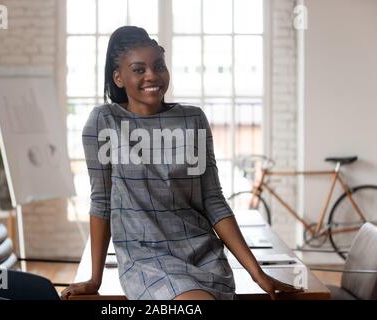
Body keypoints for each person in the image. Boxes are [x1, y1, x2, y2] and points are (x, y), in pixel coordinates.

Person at [61, 26, 301, 300]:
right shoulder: (104, 122)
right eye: (139, 69)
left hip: (204, 257)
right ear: (118, 77)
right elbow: (101, 202)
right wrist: (95, 279)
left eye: (158, 66)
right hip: (146, 262)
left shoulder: (193, 119)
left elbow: (213, 201)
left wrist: (256, 273)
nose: (152, 75)